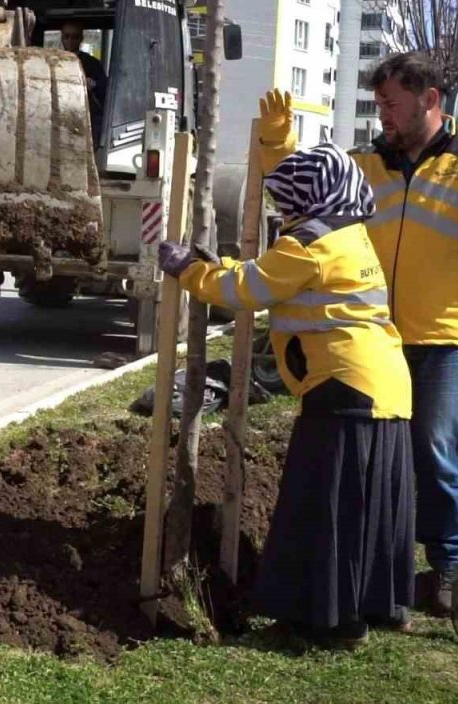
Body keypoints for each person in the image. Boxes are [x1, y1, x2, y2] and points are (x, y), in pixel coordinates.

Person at [255, 51, 458, 617]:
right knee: (379, 460)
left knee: (437, 451)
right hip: (374, 340)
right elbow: (300, 190)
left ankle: (450, 566)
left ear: (429, 99)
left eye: (391, 103)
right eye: (378, 103)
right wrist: (276, 146)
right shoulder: (364, 162)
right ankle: (381, 568)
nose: (382, 113)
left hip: (450, 335)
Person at [158, 143, 416, 649]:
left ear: (311, 196)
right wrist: (221, 263)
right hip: (383, 387)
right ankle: (369, 610)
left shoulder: (310, 245)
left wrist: (189, 270)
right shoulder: (349, 235)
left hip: (344, 388)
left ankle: (325, 624)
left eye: (288, 201)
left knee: (323, 505)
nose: (284, 211)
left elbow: (245, 290)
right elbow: (268, 276)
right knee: (367, 505)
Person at [60, 21, 109, 144]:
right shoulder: (55, 61)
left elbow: (105, 88)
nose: (70, 41)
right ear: (62, 38)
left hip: (85, 119)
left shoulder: (92, 63)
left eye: (75, 37)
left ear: (81, 39)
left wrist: (92, 84)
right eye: (67, 36)